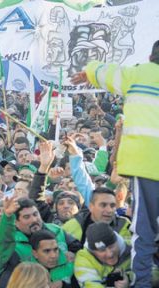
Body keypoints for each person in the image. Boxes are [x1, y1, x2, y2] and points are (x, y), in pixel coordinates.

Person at [71, 40, 159, 287]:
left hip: (148, 166)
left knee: (144, 229)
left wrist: (88, 71)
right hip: (148, 166)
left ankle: (141, 283)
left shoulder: (138, 73)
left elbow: (103, 70)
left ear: (151, 56)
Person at [74, 222, 132, 288]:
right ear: (93, 252)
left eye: (111, 247)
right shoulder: (83, 260)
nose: (110, 254)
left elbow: (142, 274)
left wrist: (129, 279)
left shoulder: (133, 249)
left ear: (117, 241)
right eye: (102, 250)